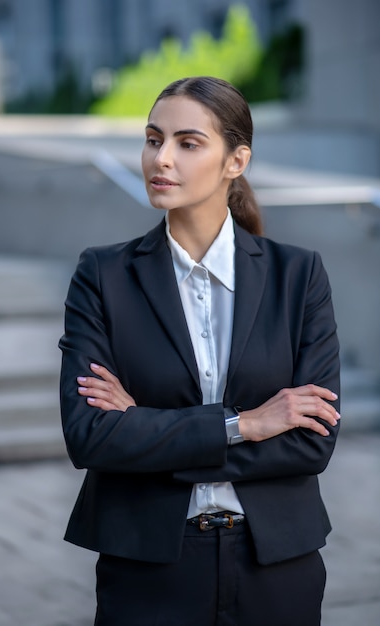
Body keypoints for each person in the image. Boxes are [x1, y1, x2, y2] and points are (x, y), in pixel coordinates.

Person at [59, 76, 340, 626]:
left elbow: (312, 445)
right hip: (147, 568)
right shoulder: (104, 274)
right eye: (152, 138)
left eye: (188, 143)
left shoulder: (298, 275)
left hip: (277, 566)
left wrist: (145, 429)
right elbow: (90, 435)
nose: (160, 158)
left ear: (236, 160)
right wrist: (246, 425)